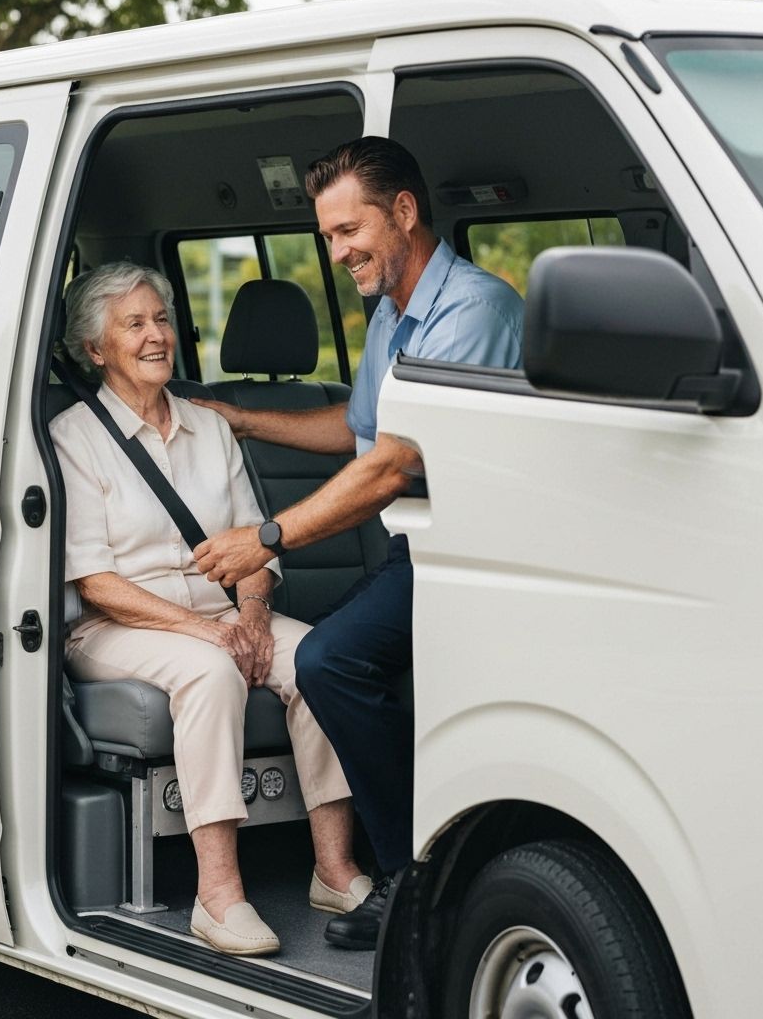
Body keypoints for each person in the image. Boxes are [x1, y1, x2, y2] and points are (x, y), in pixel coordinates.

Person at [192, 137, 523, 949]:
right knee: (333, 657)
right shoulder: (391, 313)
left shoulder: (474, 310)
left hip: (483, 562)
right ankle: (409, 869)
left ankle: (420, 877)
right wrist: (242, 417)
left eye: (349, 232)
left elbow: (395, 462)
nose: (337, 253)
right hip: (424, 556)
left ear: (404, 212)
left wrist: (263, 537)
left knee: (330, 658)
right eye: (329, 237)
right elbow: (355, 427)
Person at [50, 261, 371, 958]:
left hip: (222, 610)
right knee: (210, 671)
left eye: (161, 318)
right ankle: (218, 895)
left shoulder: (210, 426)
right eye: (133, 324)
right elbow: (95, 581)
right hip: (118, 625)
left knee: (321, 657)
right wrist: (206, 631)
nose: (155, 335)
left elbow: (257, 544)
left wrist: (252, 616)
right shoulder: (74, 437)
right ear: (96, 349)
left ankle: (334, 870)